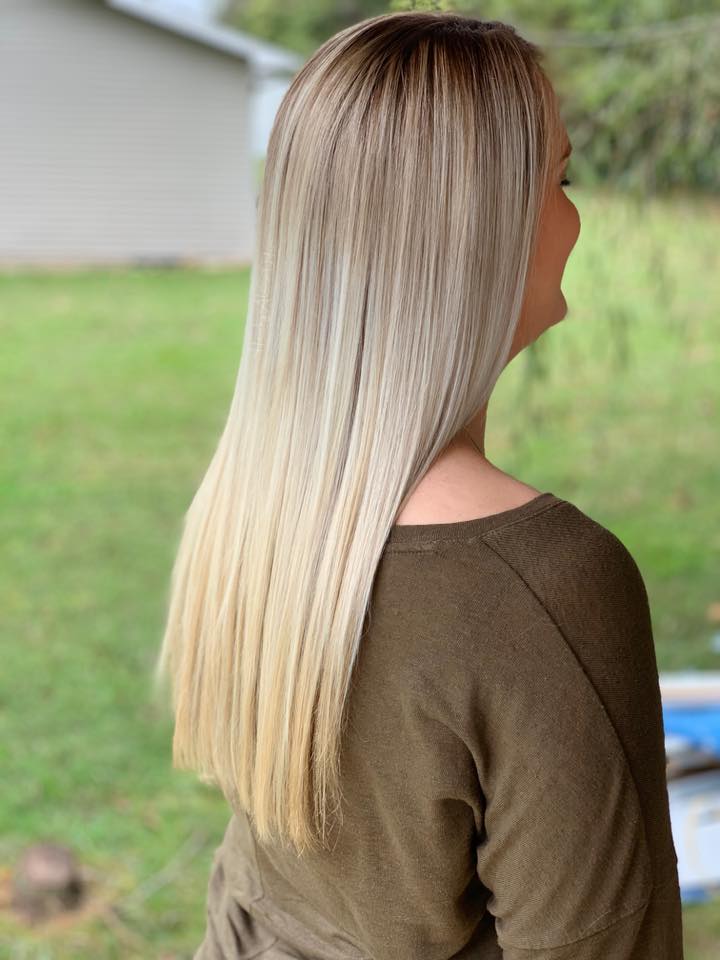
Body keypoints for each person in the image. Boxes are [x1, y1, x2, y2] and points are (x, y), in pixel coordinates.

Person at [153, 11, 684, 959]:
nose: (575, 219)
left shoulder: (255, 506)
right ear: (481, 232)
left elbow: (257, 886)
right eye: (560, 181)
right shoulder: (544, 584)